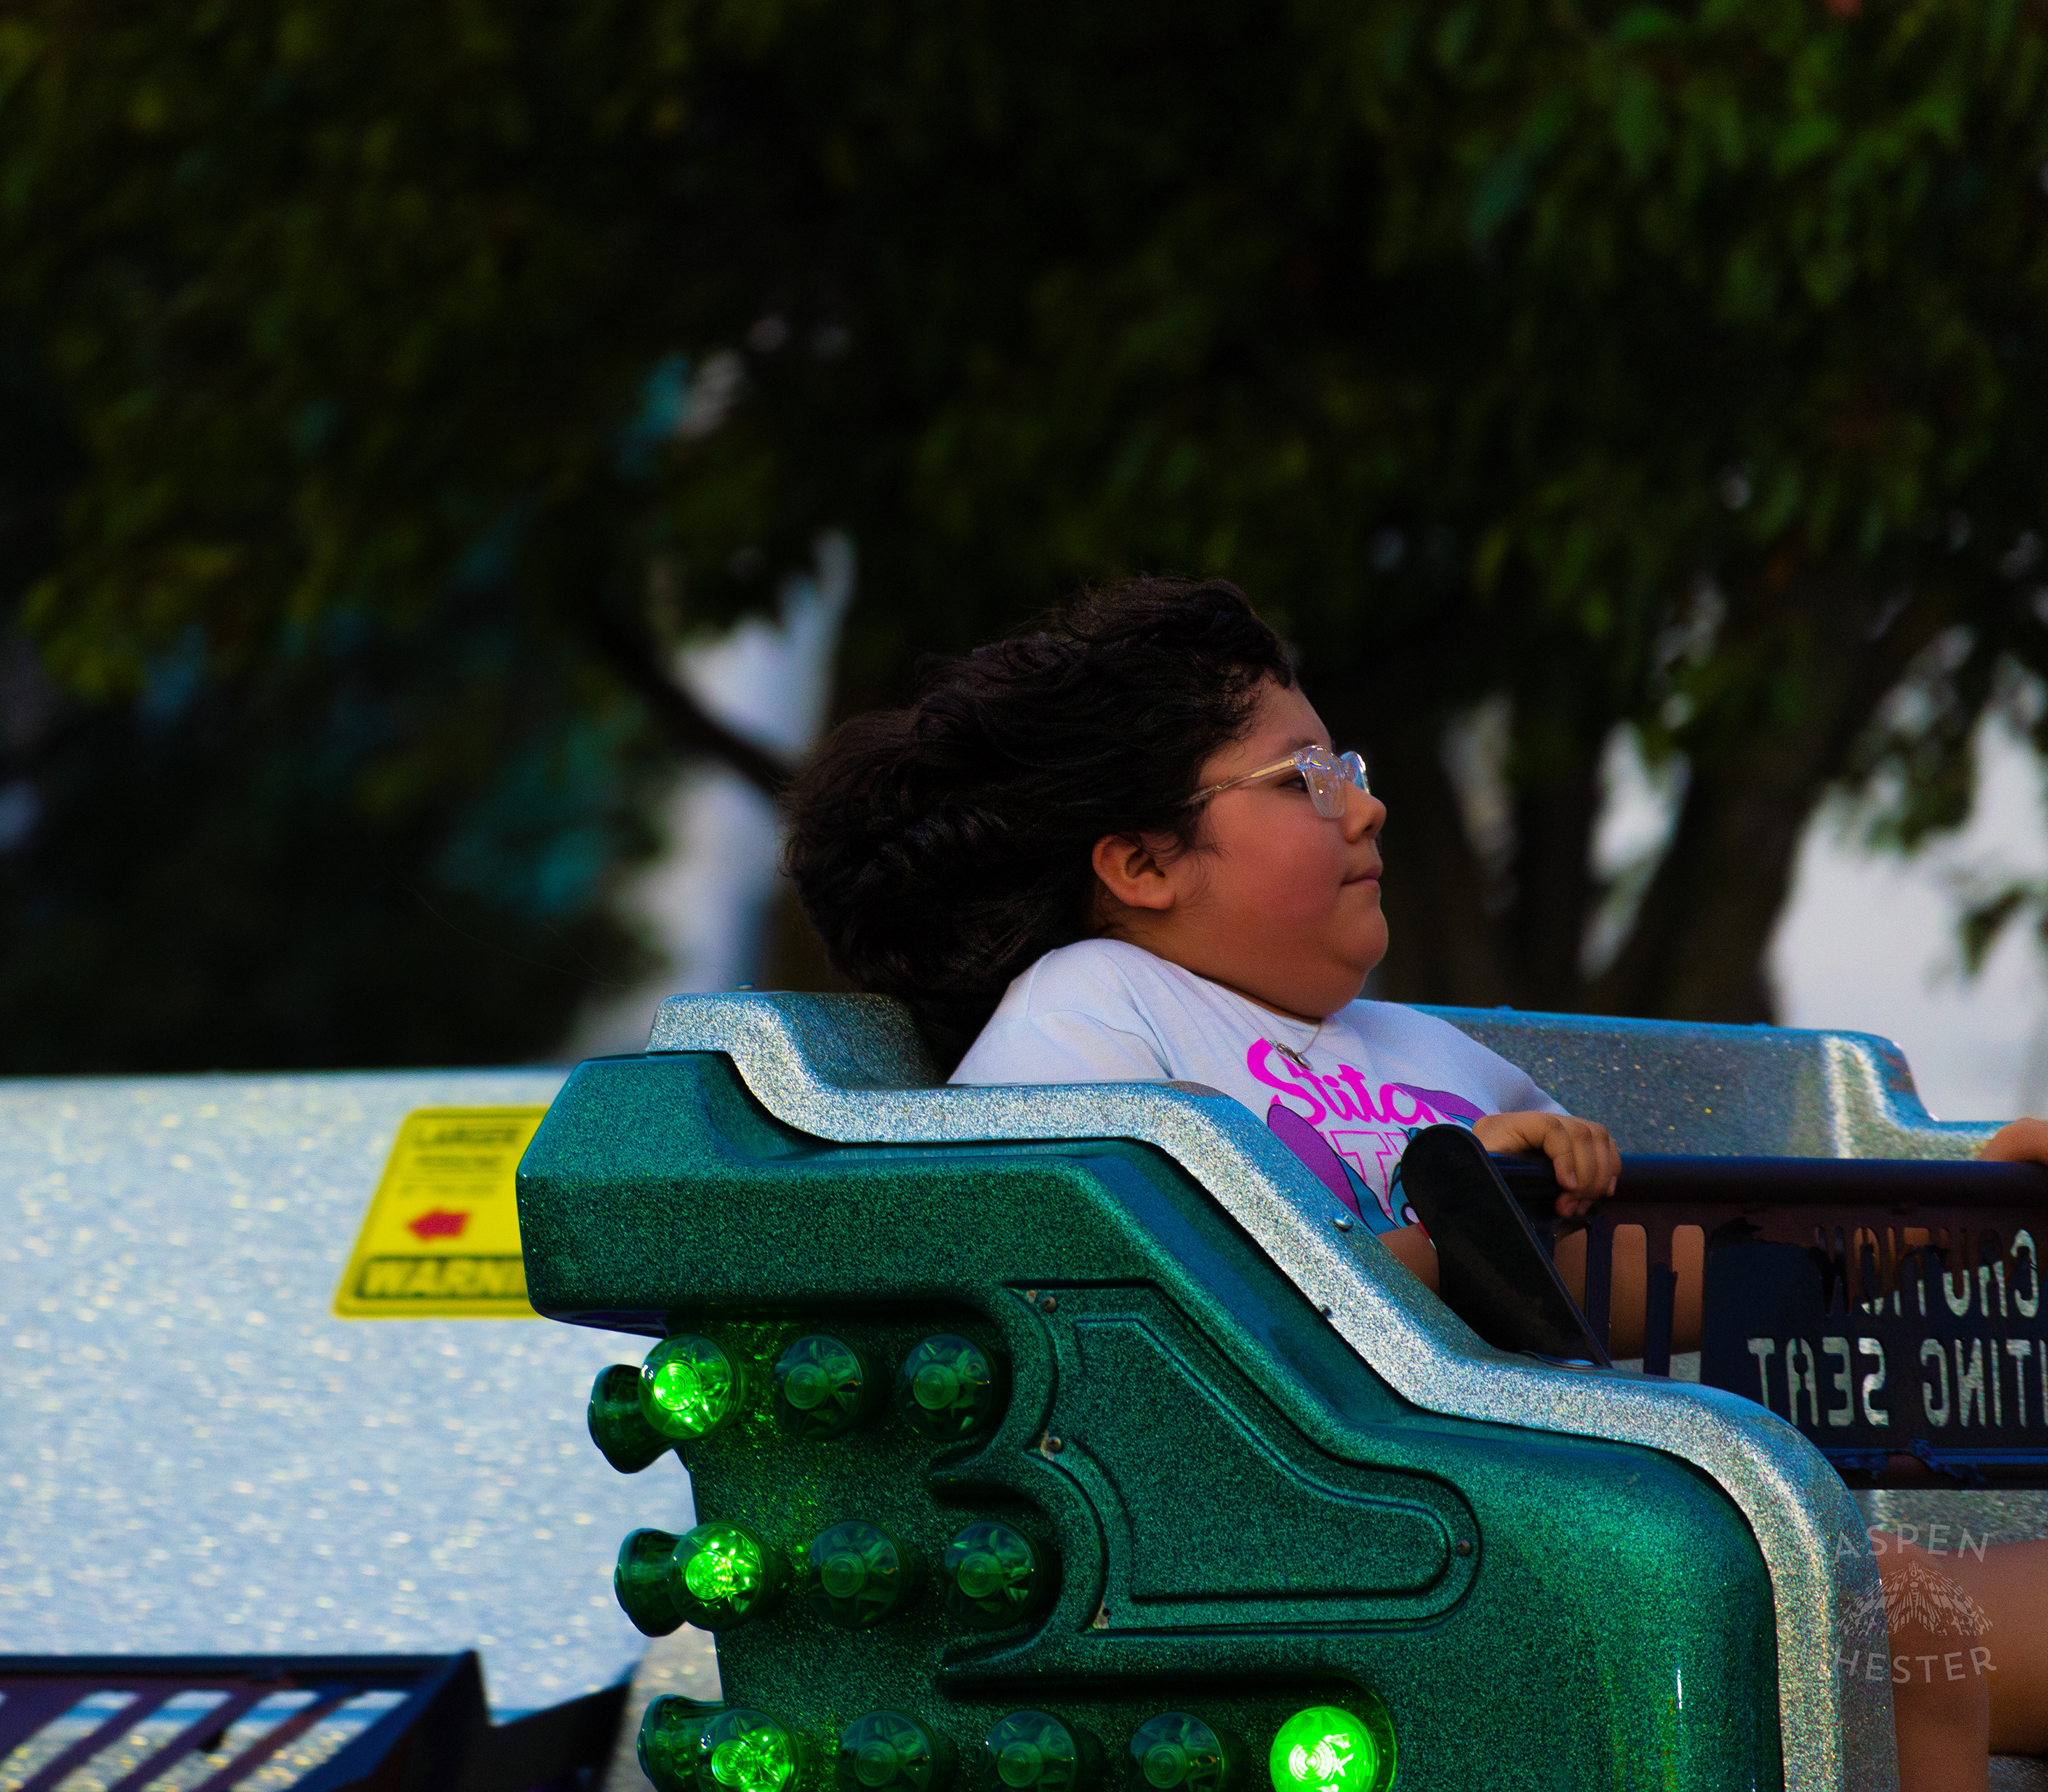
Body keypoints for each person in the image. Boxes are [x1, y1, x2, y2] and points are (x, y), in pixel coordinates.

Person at [781, 574, 2047, 1792]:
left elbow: (1624, 1287)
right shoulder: (1089, 1020)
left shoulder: (1425, 1053)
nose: (1364, 807)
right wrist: (1454, 1247)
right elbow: (1160, 1358)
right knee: (1906, 1640)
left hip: (1572, 1504)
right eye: (1304, 779)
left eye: (1356, 771)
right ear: (1144, 865)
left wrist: (1939, 1237)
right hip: (1364, 1550)